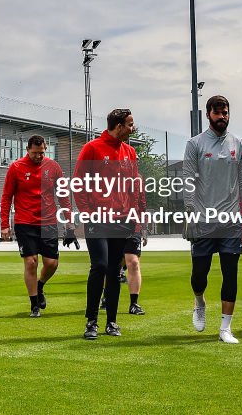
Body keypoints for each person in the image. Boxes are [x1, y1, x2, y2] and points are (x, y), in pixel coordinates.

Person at [180, 95, 242, 344]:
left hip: (231, 221)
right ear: (208, 114)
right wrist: (189, 214)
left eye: (225, 113)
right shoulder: (195, 144)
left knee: (230, 274)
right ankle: (199, 302)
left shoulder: (240, 144)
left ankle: (225, 329)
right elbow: (188, 180)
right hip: (203, 220)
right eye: (217, 113)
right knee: (199, 274)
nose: (222, 117)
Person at [73, 109, 143, 339]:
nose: (133, 129)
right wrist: (87, 213)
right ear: (119, 126)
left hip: (122, 220)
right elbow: (78, 182)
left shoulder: (130, 152)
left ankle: (111, 322)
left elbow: (134, 185)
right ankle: (91, 321)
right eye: (130, 124)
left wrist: (134, 215)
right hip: (97, 219)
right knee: (100, 266)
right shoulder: (92, 148)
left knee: (114, 272)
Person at [0, 135, 71, 318]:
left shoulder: (53, 167)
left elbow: (63, 195)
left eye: (42, 153)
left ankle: (40, 285)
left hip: (48, 222)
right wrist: (4, 224)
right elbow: (7, 197)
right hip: (25, 222)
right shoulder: (16, 168)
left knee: (52, 263)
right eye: (35, 153)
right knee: (31, 262)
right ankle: (34, 306)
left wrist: (69, 220)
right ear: (27, 150)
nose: (39, 156)